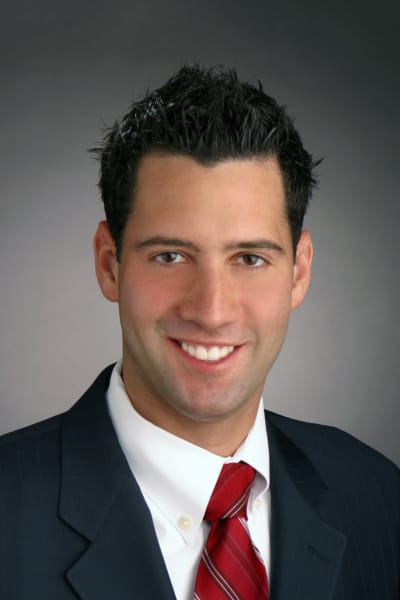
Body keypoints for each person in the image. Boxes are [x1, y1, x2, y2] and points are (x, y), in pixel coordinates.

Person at [0, 65, 398, 600]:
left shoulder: (378, 497)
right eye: (170, 256)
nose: (211, 311)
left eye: (250, 258)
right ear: (110, 264)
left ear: (299, 272)